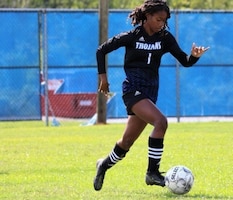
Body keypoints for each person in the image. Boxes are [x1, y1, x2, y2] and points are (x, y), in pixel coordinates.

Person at [94, 0, 209, 191]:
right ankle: (152, 173)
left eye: (164, 21)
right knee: (161, 122)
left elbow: (185, 61)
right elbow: (101, 50)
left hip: (149, 93)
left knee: (127, 142)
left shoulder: (165, 38)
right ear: (147, 17)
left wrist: (194, 57)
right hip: (132, 91)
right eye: (158, 19)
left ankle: (103, 165)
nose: (161, 24)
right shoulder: (131, 36)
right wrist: (103, 78)